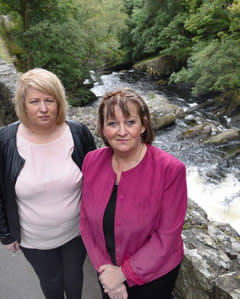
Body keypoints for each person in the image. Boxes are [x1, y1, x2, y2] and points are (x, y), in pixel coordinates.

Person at [0, 68, 96, 299]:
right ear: (23, 105)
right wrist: (4, 234)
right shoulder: (3, 140)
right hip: (34, 239)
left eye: (49, 100)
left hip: (76, 233)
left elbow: (96, 180)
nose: (43, 108)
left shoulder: (78, 133)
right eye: (35, 101)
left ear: (59, 102)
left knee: (75, 279)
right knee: (52, 282)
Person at [79, 88, 188, 299]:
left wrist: (122, 274)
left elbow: (166, 237)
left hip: (153, 278)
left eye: (130, 122)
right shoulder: (92, 161)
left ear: (143, 125)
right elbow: (85, 222)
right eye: (112, 123)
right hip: (107, 271)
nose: (122, 131)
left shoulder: (170, 170)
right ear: (102, 128)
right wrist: (106, 272)